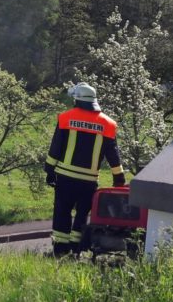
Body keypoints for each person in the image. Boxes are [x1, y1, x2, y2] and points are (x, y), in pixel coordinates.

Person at [44, 82, 126, 257]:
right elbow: (113, 154)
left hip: (64, 178)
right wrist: (119, 177)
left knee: (62, 212)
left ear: (77, 99)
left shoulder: (65, 118)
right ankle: (76, 249)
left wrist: (49, 170)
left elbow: (56, 147)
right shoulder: (108, 124)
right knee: (82, 214)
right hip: (89, 181)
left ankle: (60, 250)